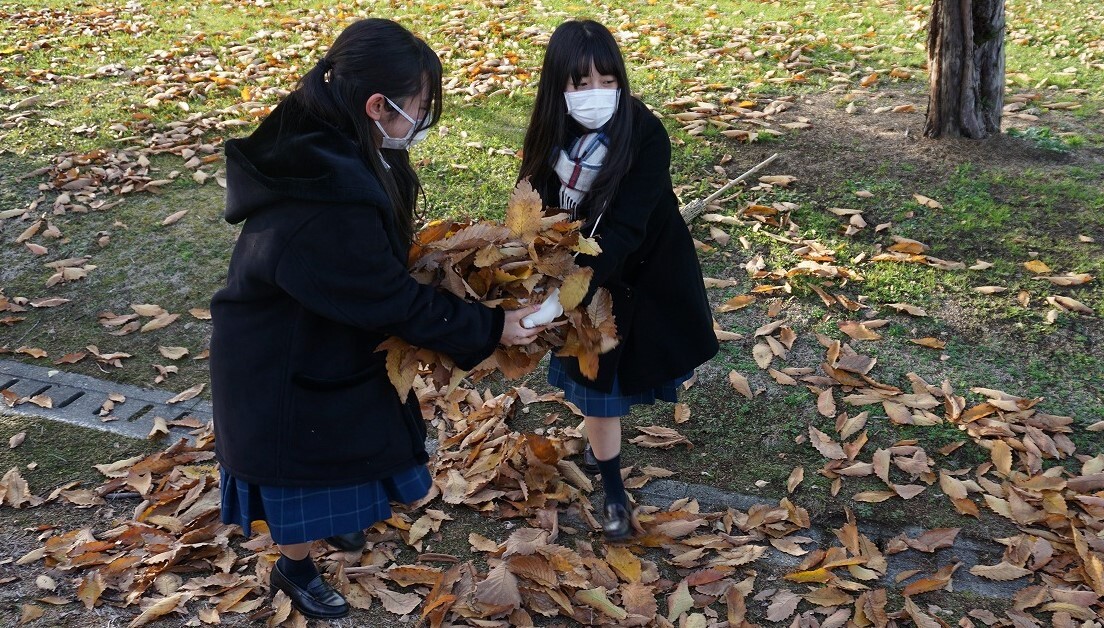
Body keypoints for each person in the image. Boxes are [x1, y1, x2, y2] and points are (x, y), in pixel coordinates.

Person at [209, 18, 543, 620]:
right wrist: (491, 328)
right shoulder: (323, 199)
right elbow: (388, 298)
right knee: (300, 477)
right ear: (375, 104)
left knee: (345, 450)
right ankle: (295, 566)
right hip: (282, 362)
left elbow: (375, 274)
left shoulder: (330, 132)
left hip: (325, 339)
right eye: (417, 108)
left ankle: (333, 523)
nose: (420, 122)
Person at [518, 19, 719, 542]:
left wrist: (571, 293)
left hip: (640, 275)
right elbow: (534, 206)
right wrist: (540, 269)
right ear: (557, 87)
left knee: (611, 381)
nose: (595, 94)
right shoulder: (549, 134)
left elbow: (626, 230)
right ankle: (610, 482)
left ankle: (611, 487)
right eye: (580, 84)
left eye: (607, 80)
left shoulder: (645, 134)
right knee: (594, 391)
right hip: (579, 281)